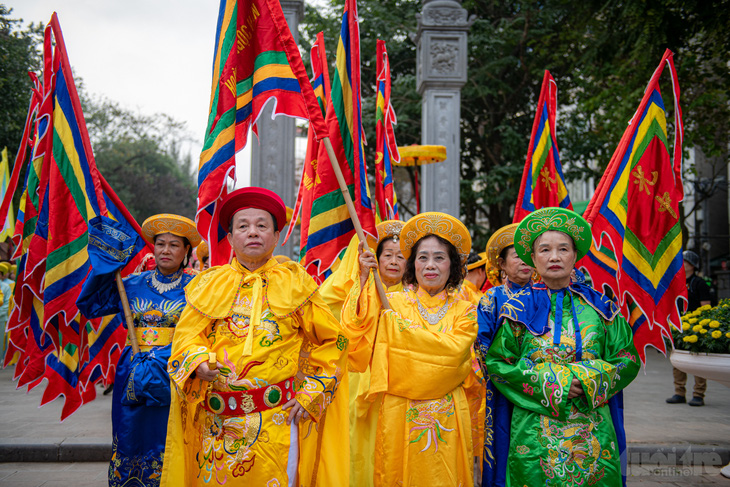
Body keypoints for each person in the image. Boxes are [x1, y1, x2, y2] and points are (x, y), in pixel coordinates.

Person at [160, 187, 348, 486]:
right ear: (231, 237)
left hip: (278, 422)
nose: (253, 233)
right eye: (243, 226)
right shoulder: (210, 283)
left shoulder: (295, 281)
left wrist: (315, 389)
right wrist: (198, 363)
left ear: (276, 236)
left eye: (262, 225)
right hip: (219, 423)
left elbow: (333, 341)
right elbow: (186, 338)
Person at [483, 207, 640, 486]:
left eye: (563, 249)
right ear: (533, 258)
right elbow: (497, 365)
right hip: (533, 431)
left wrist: (587, 379)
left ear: (575, 255)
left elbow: (627, 359)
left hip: (592, 428)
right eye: (544, 250)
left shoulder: (602, 309)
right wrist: (559, 382)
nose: (554, 257)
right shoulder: (517, 310)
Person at [342, 212, 478, 486]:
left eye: (439, 258)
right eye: (422, 257)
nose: (430, 265)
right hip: (397, 411)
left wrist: (399, 333)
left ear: (452, 265)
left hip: (447, 412)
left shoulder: (465, 310)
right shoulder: (390, 302)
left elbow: (453, 355)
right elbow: (354, 330)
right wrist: (364, 277)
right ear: (412, 264)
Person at [78, 213, 200, 487]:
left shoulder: (198, 288)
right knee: (130, 432)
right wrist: (105, 267)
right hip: (132, 371)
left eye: (174, 245)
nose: (166, 250)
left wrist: (165, 356)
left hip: (175, 373)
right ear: (153, 249)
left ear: (186, 252)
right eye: (160, 244)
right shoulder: (130, 284)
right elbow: (90, 306)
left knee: (170, 436)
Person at [475, 222, 534, 487]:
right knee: (501, 443)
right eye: (516, 256)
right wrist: (507, 373)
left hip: (538, 383)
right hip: (502, 386)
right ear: (501, 263)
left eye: (528, 255)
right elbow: (482, 344)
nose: (524, 262)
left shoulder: (546, 295)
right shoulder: (492, 298)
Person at [666, 250, 712, 407]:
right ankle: (679, 392)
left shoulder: (699, 283)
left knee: (698, 361)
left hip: (695, 328)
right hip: (678, 326)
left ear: (692, 265)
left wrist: (700, 326)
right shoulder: (676, 282)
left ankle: (698, 394)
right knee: (678, 360)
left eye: (685, 261)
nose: (682, 264)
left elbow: (706, 307)